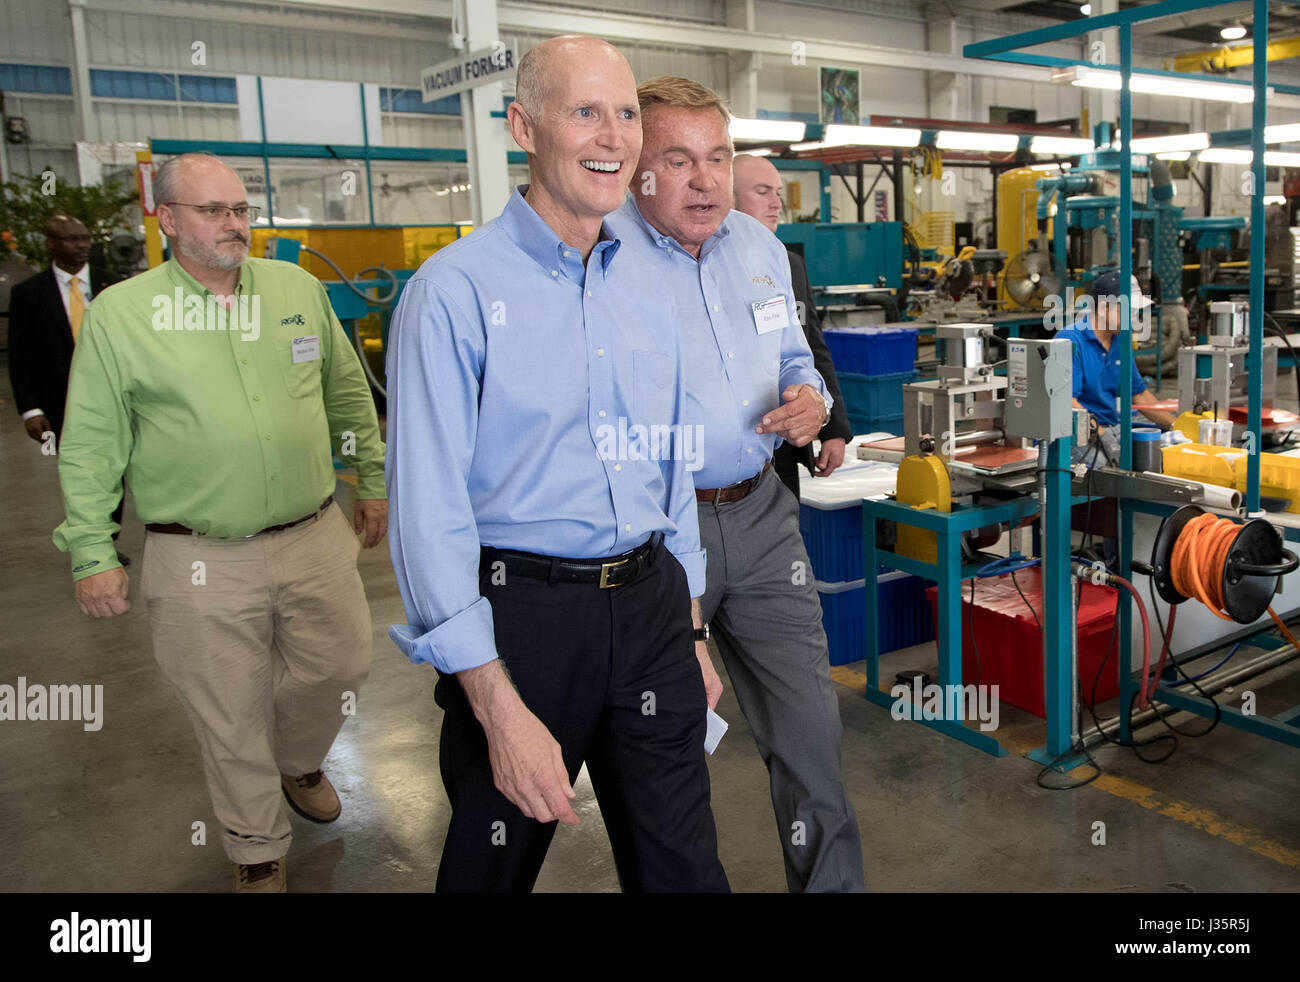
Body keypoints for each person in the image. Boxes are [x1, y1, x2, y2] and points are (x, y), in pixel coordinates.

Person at [385, 36, 728, 894]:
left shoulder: (650, 288)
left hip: (652, 611)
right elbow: (428, 514)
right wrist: (494, 703)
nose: (612, 136)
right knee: (490, 869)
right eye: (584, 112)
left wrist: (688, 624)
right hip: (523, 624)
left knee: (686, 869)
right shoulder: (452, 292)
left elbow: (671, 469)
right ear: (523, 127)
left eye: (623, 114)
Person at [53, 152, 387, 893]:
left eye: (240, 209)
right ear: (166, 220)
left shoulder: (296, 290)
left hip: (312, 534)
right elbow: (92, 441)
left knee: (341, 669)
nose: (234, 224)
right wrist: (90, 550)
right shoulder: (124, 315)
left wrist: (372, 478)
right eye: (213, 211)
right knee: (227, 711)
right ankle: (255, 849)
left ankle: (299, 761)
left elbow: (345, 393)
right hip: (196, 556)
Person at [606, 76, 865, 893]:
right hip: (650, 536)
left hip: (761, 517)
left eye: (716, 157)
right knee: (666, 750)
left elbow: (794, 352)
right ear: (634, 168)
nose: (705, 180)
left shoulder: (759, 250)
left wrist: (812, 401)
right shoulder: (597, 259)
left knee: (809, 731)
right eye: (677, 160)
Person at [8, 215, 129, 564]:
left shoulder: (114, 286)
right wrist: (30, 409)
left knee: (116, 471)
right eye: (71, 239)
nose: (81, 245)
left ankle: (107, 539)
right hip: (61, 403)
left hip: (116, 397)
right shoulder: (29, 294)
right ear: (51, 243)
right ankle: (91, 540)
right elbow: (21, 356)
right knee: (84, 471)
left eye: (85, 238)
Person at [733, 153, 853, 497]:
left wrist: (833, 427)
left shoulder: (789, 265)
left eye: (778, 192)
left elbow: (812, 347)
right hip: (740, 446)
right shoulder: (702, 266)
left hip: (787, 442)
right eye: (762, 192)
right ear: (729, 197)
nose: (776, 203)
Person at [1063, 269, 1175, 469]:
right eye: (1129, 311)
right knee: (1108, 471)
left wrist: (1178, 428)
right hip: (1076, 434)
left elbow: (1139, 395)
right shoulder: (1072, 340)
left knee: (1162, 459)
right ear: (1105, 308)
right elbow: (1069, 403)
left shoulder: (1119, 341)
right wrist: (1104, 438)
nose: (1135, 318)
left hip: (1112, 428)